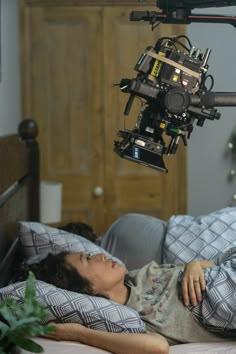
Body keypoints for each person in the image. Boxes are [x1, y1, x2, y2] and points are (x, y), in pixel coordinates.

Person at [21, 247, 236, 354]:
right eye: (88, 260)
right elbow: (158, 347)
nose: (100, 255)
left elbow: (210, 267)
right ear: (87, 289)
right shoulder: (126, 318)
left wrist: (194, 265)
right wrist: (79, 333)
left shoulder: (142, 274)